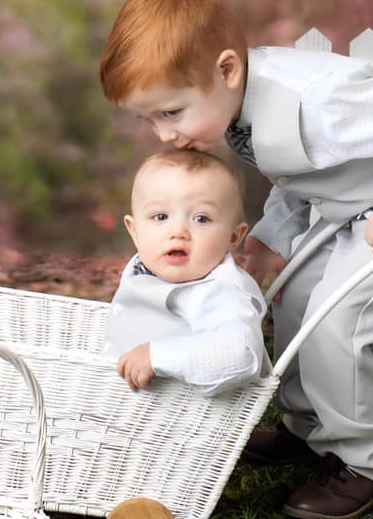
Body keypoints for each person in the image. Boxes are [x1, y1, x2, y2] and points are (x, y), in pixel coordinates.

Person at [99, 0, 373, 519]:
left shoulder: (319, 98)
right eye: (150, 119)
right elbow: (301, 172)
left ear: (226, 71)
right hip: (352, 206)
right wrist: (271, 238)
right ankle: (308, 431)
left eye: (171, 113)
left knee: (338, 323)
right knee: (294, 298)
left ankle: (363, 465)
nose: (163, 134)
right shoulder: (236, 106)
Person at [105, 148, 268, 397]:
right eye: (160, 216)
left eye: (201, 219)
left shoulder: (221, 294)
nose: (178, 231)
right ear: (134, 231)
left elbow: (241, 355)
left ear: (233, 237)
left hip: (186, 419)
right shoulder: (143, 267)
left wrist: (157, 356)